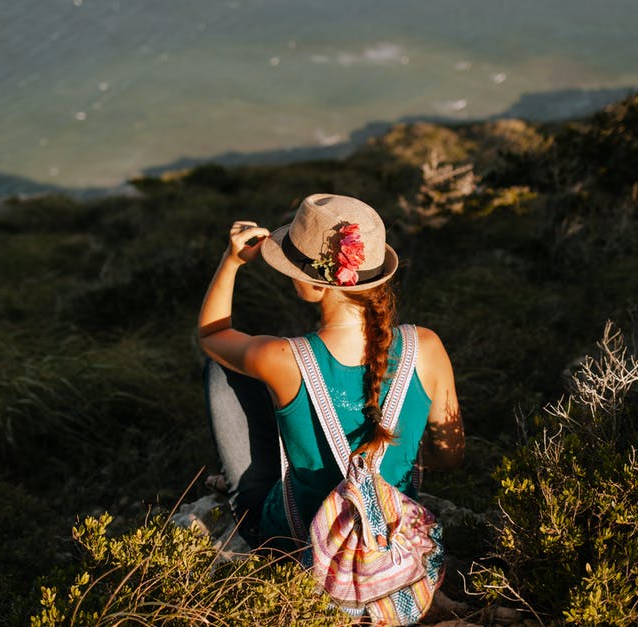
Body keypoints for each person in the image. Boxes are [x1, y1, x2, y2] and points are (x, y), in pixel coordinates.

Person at [198, 193, 464, 553]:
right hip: (388, 540)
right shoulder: (426, 347)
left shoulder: (280, 357)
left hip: (294, 542)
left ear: (320, 284)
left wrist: (231, 262)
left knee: (222, 368)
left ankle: (244, 491)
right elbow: (449, 456)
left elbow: (211, 335)